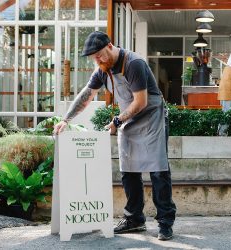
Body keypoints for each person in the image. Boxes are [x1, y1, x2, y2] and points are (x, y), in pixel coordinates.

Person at [53, 31, 176, 241]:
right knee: (128, 171)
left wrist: (118, 121)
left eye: (99, 55)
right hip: (129, 119)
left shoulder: (133, 63)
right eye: (93, 58)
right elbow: (86, 95)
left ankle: (165, 223)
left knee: (158, 171)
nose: (97, 60)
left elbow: (141, 102)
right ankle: (134, 219)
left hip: (151, 116)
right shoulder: (103, 69)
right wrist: (66, 119)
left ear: (110, 46)